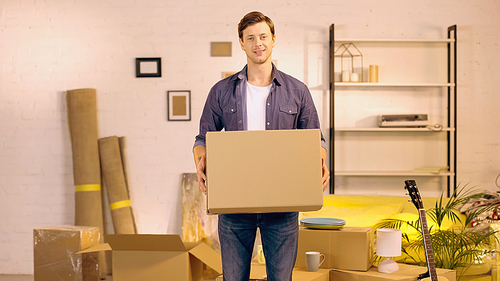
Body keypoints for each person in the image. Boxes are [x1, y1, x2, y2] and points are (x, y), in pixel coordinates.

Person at [193, 11, 329, 281]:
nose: (258, 43)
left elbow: (315, 138)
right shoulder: (221, 91)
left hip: (282, 205)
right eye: (251, 37)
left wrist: (321, 160)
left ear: (273, 39)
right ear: (241, 43)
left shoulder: (297, 90)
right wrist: (200, 160)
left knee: (281, 278)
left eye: (263, 36)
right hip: (234, 206)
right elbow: (203, 138)